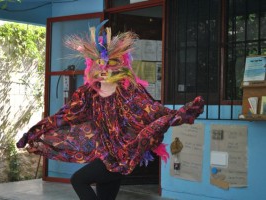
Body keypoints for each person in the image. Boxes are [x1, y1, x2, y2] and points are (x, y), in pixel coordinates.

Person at [16, 20, 205, 200]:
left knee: (78, 180)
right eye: (99, 64)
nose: (104, 68)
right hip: (104, 154)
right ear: (92, 66)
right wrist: (35, 132)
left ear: (121, 65)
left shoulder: (129, 91)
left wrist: (180, 114)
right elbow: (65, 116)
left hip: (122, 156)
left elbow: (152, 110)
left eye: (110, 63)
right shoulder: (89, 94)